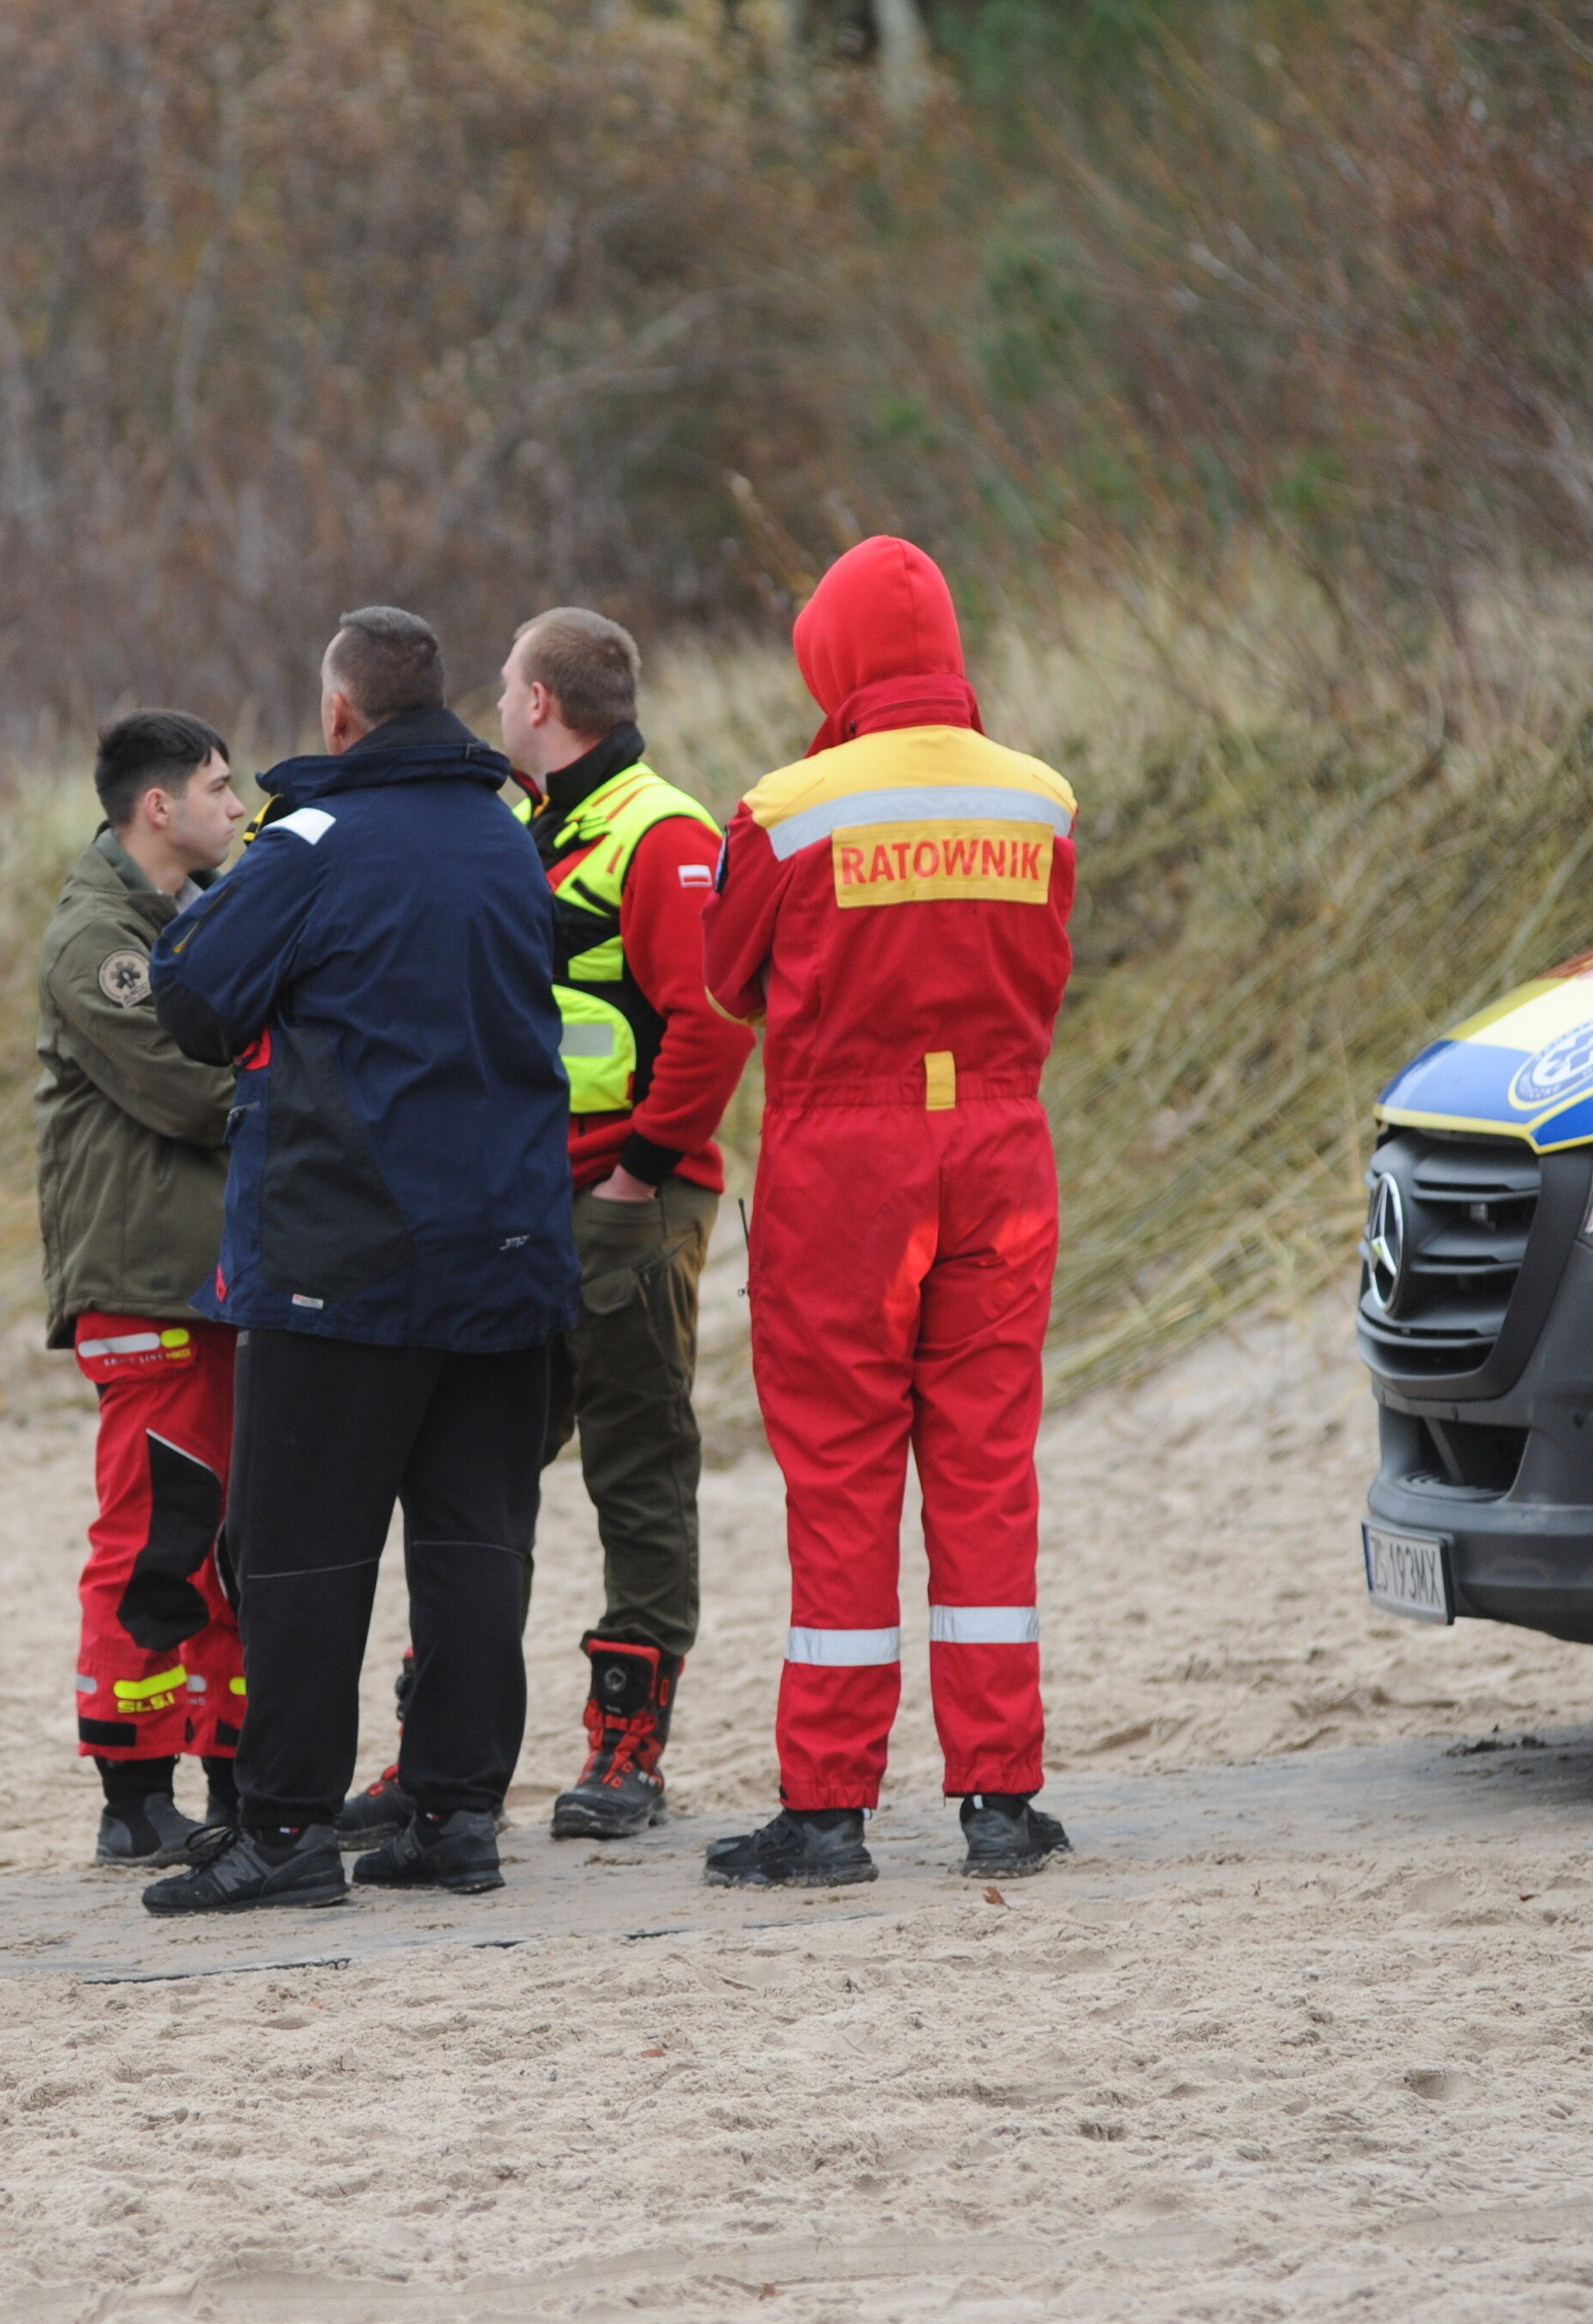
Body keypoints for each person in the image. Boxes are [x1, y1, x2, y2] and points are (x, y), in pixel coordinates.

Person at [138, 607, 582, 1913]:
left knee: (299, 1556)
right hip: (511, 1253)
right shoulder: (513, 839)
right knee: (474, 1552)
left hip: (347, 1257)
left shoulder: (314, 841)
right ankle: (456, 1814)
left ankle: (283, 1833)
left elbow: (194, 1002)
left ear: (339, 718)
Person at [698, 537, 1079, 1888]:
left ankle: (829, 1810)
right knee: (985, 1467)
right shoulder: (1042, 802)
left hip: (843, 1163)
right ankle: (999, 1797)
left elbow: (727, 980)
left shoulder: (787, 808)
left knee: (845, 1472)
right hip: (998, 1143)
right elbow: (1048, 971)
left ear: (835, 660)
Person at [496, 608, 753, 1836]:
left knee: (637, 1470)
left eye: (506, 687)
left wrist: (640, 1174)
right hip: (521, 1200)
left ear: (541, 702)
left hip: (629, 1201)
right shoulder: (524, 828)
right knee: (477, 1471)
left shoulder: (666, 833)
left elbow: (712, 1023)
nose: (496, 706)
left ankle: (626, 1751)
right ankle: (449, 1748)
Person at [35, 711, 249, 1865]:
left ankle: (229, 1767)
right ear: (156, 807)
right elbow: (186, 1088)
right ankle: (132, 1789)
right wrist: (290, 1096)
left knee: (230, 1536)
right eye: (219, 788)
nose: (238, 806)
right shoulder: (97, 939)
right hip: (144, 1279)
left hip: (213, 1275)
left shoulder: (197, 912)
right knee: (155, 1532)